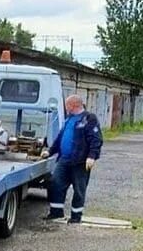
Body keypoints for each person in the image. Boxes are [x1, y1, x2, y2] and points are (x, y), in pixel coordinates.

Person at [42, 94, 103, 224]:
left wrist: (92, 156)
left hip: (80, 161)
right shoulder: (69, 119)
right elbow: (60, 138)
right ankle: (56, 212)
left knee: (79, 188)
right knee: (56, 183)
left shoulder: (89, 119)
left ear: (73, 105)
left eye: (67, 105)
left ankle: (76, 216)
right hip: (64, 160)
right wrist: (50, 151)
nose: (65, 107)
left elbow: (96, 139)